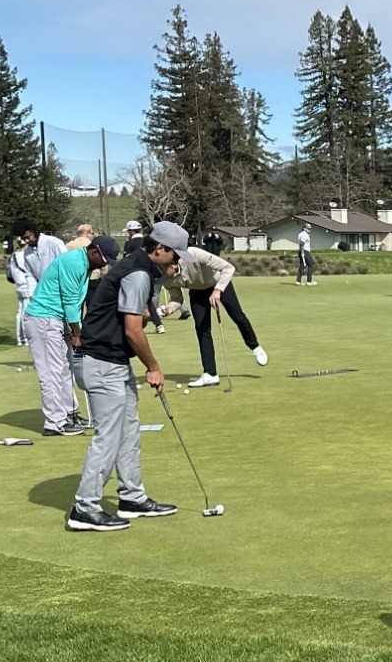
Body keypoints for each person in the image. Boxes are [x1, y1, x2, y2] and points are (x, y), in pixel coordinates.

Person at [67, 219, 186, 531]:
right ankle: (85, 508)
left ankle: (132, 497)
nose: (176, 259)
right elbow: (133, 330)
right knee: (108, 435)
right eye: (175, 253)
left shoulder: (139, 266)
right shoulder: (137, 273)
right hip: (100, 361)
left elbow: (134, 319)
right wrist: (154, 367)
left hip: (114, 361)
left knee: (129, 430)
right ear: (160, 248)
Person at [24, 234, 113, 436]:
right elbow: (71, 302)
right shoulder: (74, 263)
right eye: (104, 259)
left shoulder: (85, 266)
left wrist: (77, 330)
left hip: (57, 319)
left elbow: (77, 302)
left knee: (65, 369)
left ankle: (69, 413)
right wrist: (77, 333)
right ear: (94, 251)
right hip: (43, 319)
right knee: (51, 372)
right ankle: (55, 422)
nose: (104, 265)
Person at [161, 243, 267, 386]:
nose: (159, 273)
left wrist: (217, 290)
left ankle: (255, 347)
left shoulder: (193, 254)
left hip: (219, 283)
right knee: (202, 329)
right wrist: (169, 309)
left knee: (237, 316)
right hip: (197, 291)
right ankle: (210, 374)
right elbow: (177, 299)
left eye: (162, 269)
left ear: (172, 264)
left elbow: (228, 268)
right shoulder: (166, 279)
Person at [295, 222, 316, 286]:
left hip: (301, 251)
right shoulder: (305, 235)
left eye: (310, 229)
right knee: (311, 265)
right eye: (308, 229)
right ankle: (309, 281)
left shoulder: (300, 234)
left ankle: (298, 281)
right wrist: (302, 252)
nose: (310, 230)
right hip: (305, 251)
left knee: (302, 266)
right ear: (304, 229)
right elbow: (302, 244)